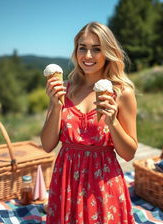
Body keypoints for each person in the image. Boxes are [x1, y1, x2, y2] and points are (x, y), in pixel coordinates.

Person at [41, 22, 137, 224]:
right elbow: (47, 145)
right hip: (66, 182)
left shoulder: (121, 93)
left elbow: (129, 154)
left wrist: (112, 122)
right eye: (82, 48)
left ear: (108, 52)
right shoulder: (64, 88)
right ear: (76, 51)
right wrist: (55, 105)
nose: (88, 56)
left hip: (103, 185)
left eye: (96, 49)